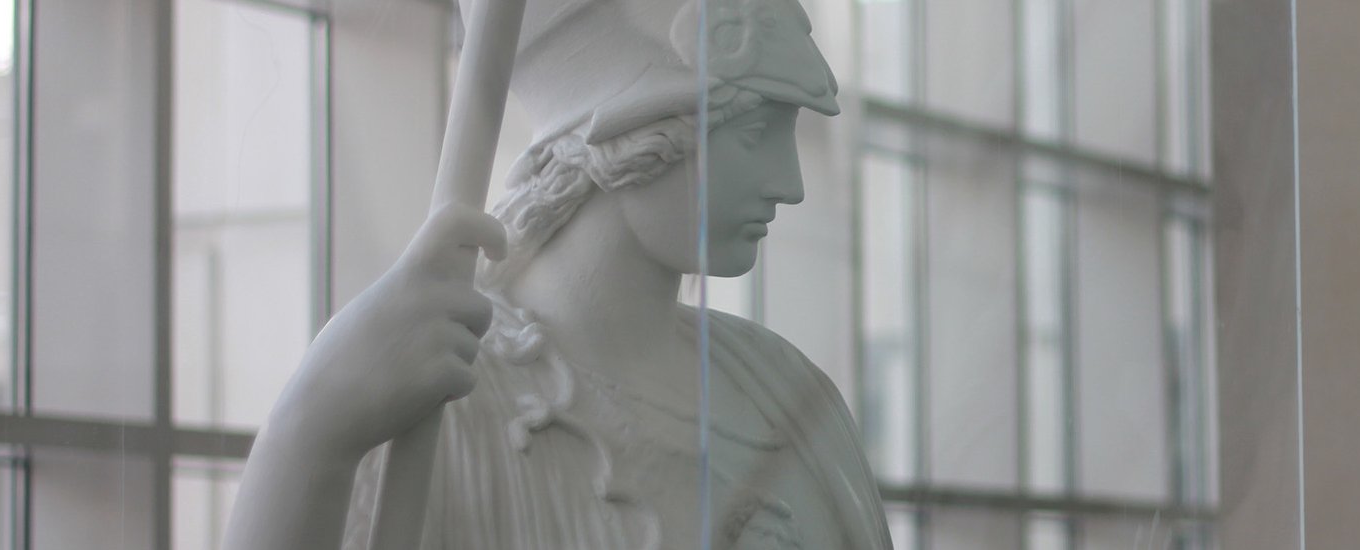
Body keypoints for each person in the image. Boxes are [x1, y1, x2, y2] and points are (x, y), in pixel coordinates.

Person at [221, 0, 891, 548]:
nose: (791, 184)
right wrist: (309, 436)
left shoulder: (791, 395)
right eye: (755, 134)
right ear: (635, 133)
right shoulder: (435, 404)